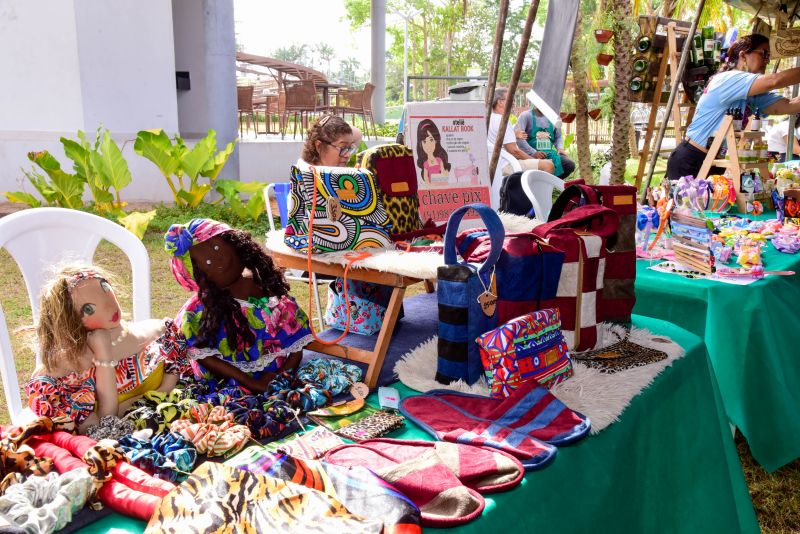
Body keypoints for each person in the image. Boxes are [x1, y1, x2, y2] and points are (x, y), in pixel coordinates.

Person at [26, 265, 189, 432]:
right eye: (88, 309)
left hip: (170, 424)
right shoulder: (66, 370)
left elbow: (167, 390)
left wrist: (133, 404)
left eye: (105, 287)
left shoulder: (161, 333)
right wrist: (103, 355)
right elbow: (104, 423)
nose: (109, 305)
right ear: (71, 321)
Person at [166, 218, 312, 393]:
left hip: (276, 379)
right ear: (196, 276)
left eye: (217, 248)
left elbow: (297, 344)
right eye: (208, 263)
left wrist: (281, 377)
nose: (219, 261)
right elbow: (202, 355)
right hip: (227, 386)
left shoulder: (270, 296)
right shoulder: (201, 311)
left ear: (237, 245)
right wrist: (251, 383)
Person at [667, 33, 800, 181]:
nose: (767, 61)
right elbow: (775, 80)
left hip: (717, 163)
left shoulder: (752, 93)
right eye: (764, 54)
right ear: (743, 56)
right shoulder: (728, 79)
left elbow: (789, 106)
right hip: (691, 161)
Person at [488, 88, 555, 175]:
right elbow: (515, 151)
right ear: (500, 102)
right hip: (505, 165)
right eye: (511, 99)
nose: (513, 103)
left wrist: (514, 134)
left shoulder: (490, 118)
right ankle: (535, 189)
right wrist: (533, 160)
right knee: (548, 165)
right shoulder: (503, 120)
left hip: (495, 164)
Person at [515, 104, 575, 179]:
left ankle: (547, 183)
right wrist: (533, 153)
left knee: (569, 164)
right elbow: (519, 139)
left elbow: (558, 136)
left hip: (549, 154)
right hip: (529, 155)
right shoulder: (525, 116)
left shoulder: (555, 118)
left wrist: (560, 148)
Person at [416, 119, 451, 184]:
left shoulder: (439, 160)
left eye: (431, 140)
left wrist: (444, 176)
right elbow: (426, 179)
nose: (428, 145)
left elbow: (444, 174)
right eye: (424, 141)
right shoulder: (426, 164)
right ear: (420, 144)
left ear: (436, 140)